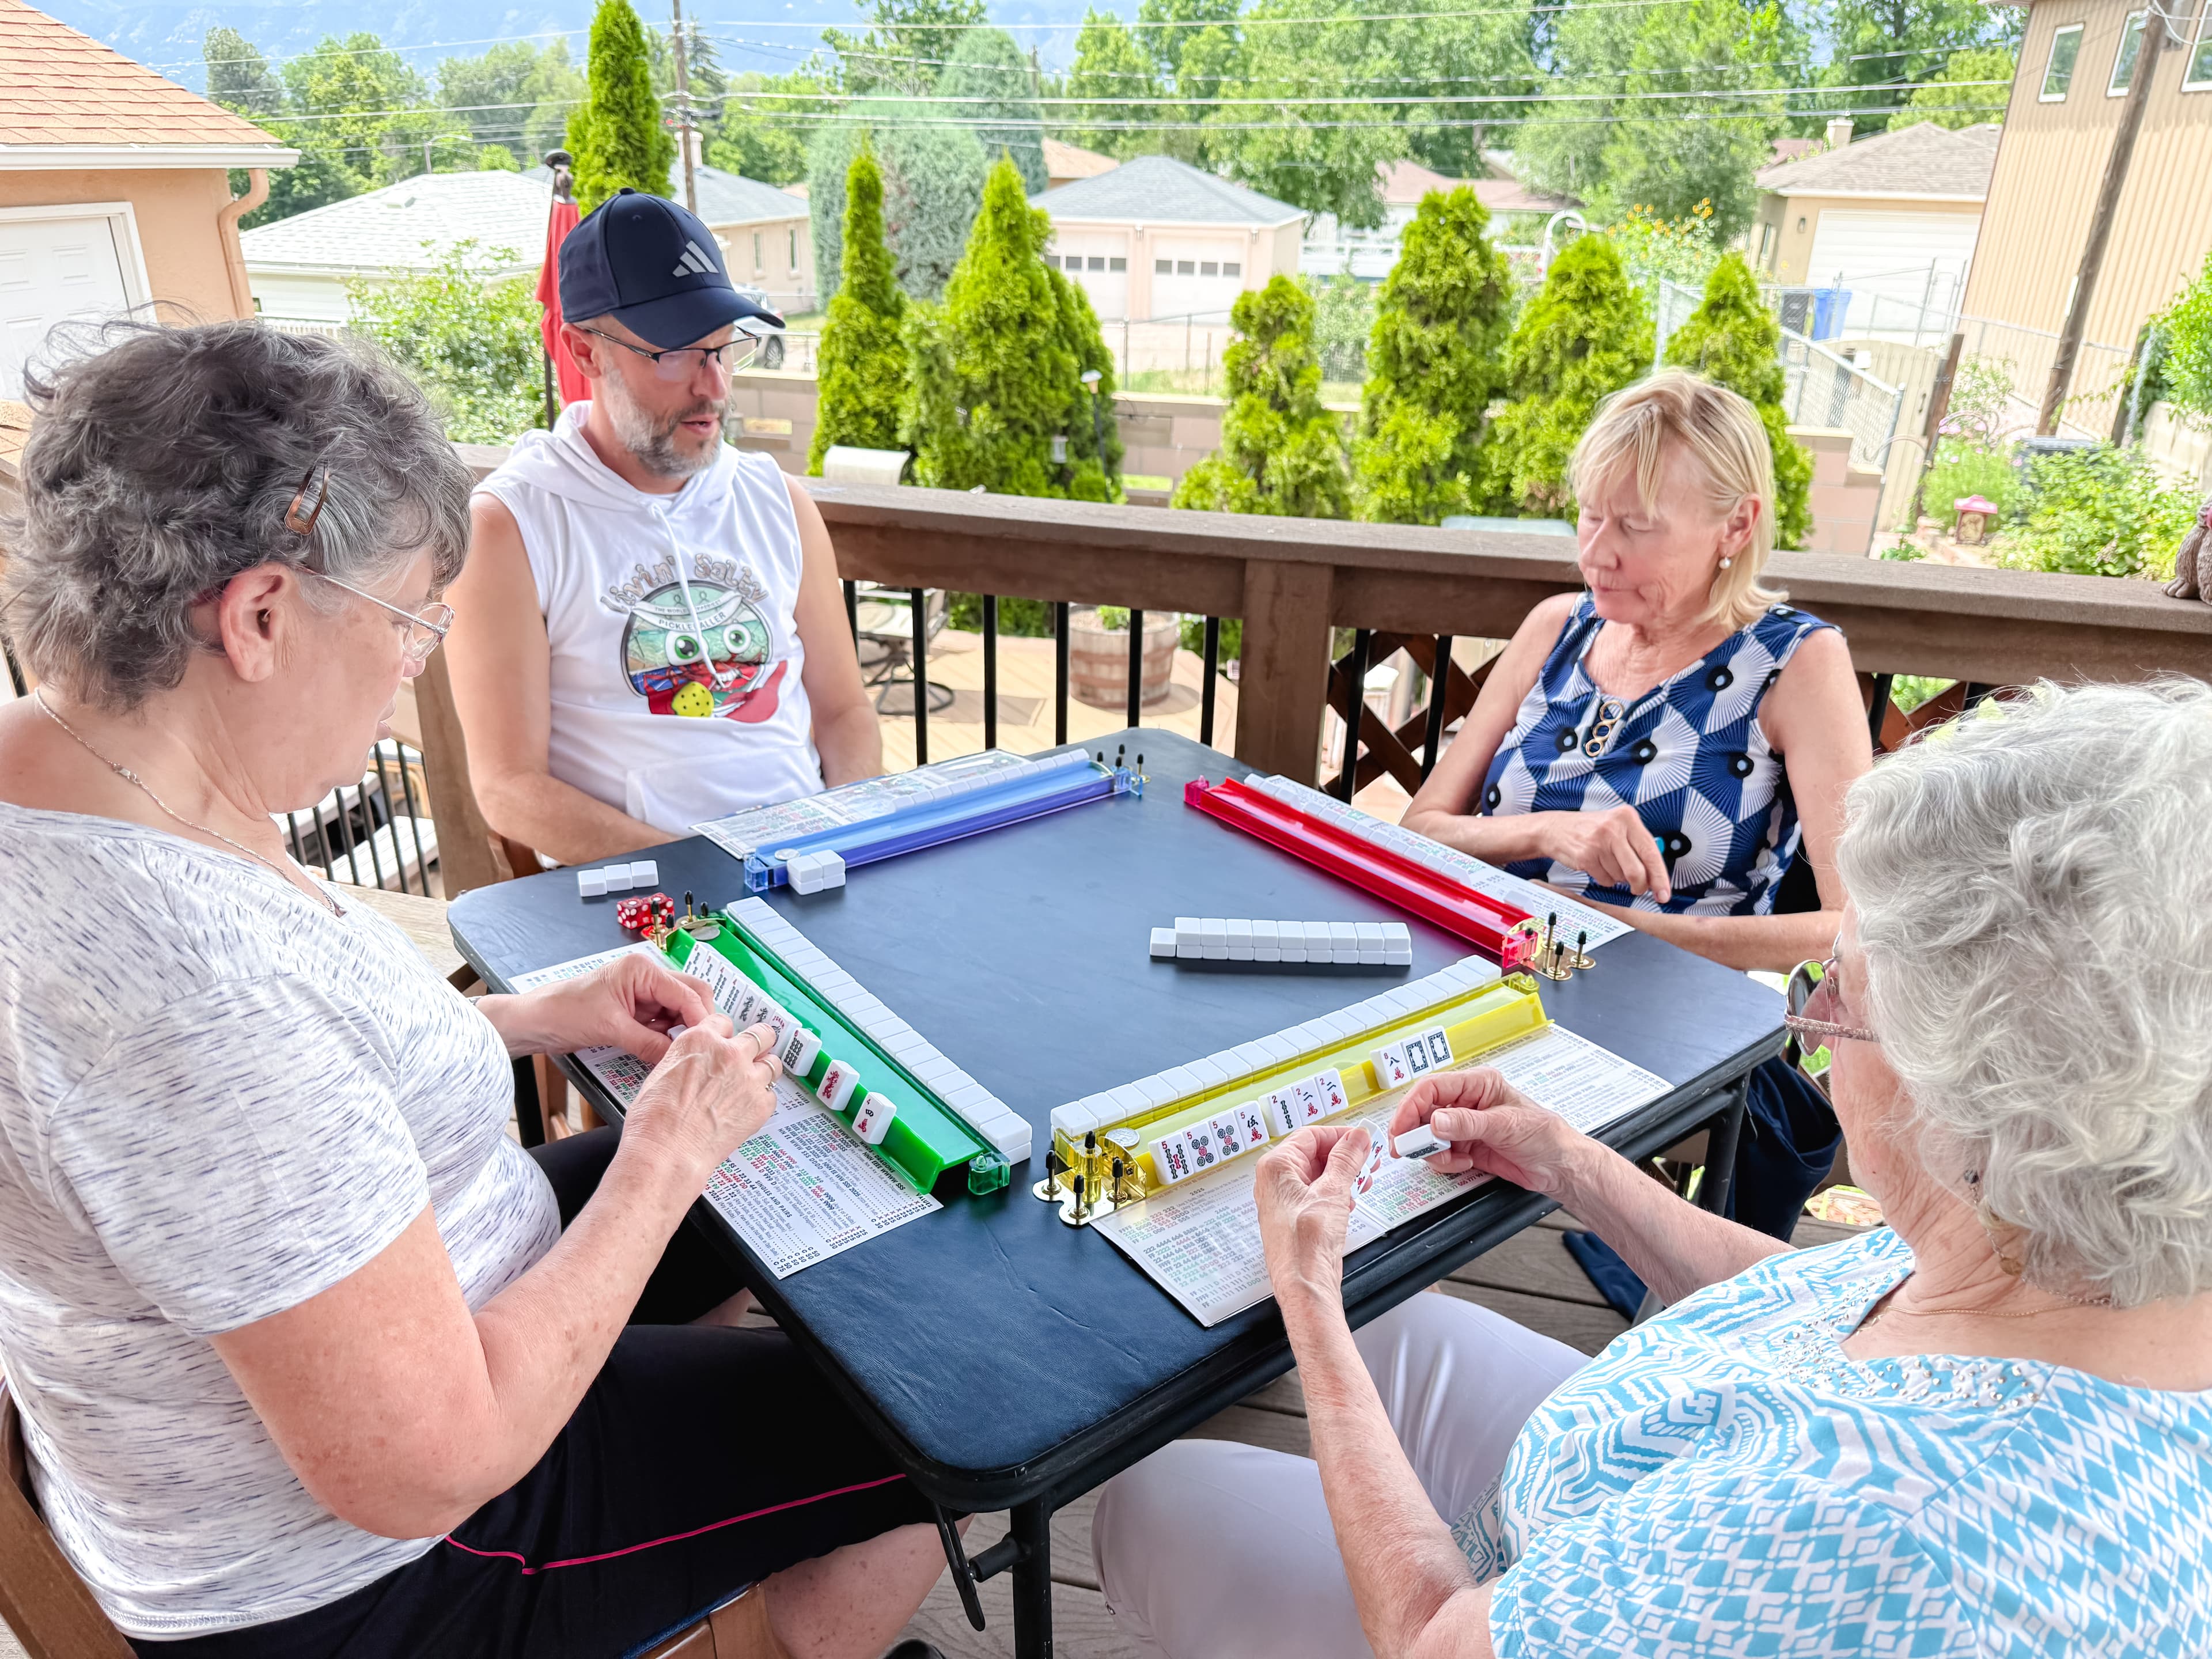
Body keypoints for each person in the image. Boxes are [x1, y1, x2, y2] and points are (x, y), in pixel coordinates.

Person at [0, 321, 948, 1658]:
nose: (412, 672)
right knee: (921, 1415)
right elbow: (428, 1461)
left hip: (374, 1328)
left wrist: (533, 1013)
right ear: (260, 616)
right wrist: (660, 1157)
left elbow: (278, 1119)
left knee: (773, 1172)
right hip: (377, 1569)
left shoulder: (85, 762)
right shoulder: (185, 995)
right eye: (403, 623)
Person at [1094, 677, 2212, 1658]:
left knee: (1153, 1502)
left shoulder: (1868, 1527)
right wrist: (1571, 1163)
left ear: (1976, 1100)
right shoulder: (2073, 1235)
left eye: (1845, 993)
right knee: (1394, 1312)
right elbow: (1832, 1307)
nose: (1810, 1019)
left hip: (1526, 1589)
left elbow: (1435, 1640)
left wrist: (1307, 1295)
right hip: (1635, 1481)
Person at [1404, 370, 1873, 1240]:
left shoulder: (1794, 662)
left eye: (1637, 527)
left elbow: (1853, 927)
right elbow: (1421, 830)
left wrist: (1635, 933)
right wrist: (1549, 832)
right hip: (1474, 976)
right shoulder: (1556, 627)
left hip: (1656, 1016)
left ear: (1737, 525)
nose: (1597, 553)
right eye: (1589, 516)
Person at [449, 188, 881, 866]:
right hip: (644, 899)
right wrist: (712, 875)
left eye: (721, 349)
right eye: (674, 354)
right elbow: (509, 789)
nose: (712, 387)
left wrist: (849, 838)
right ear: (583, 350)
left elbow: (844, 713)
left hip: (809, 866)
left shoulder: (778, 501)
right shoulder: (513, 528)